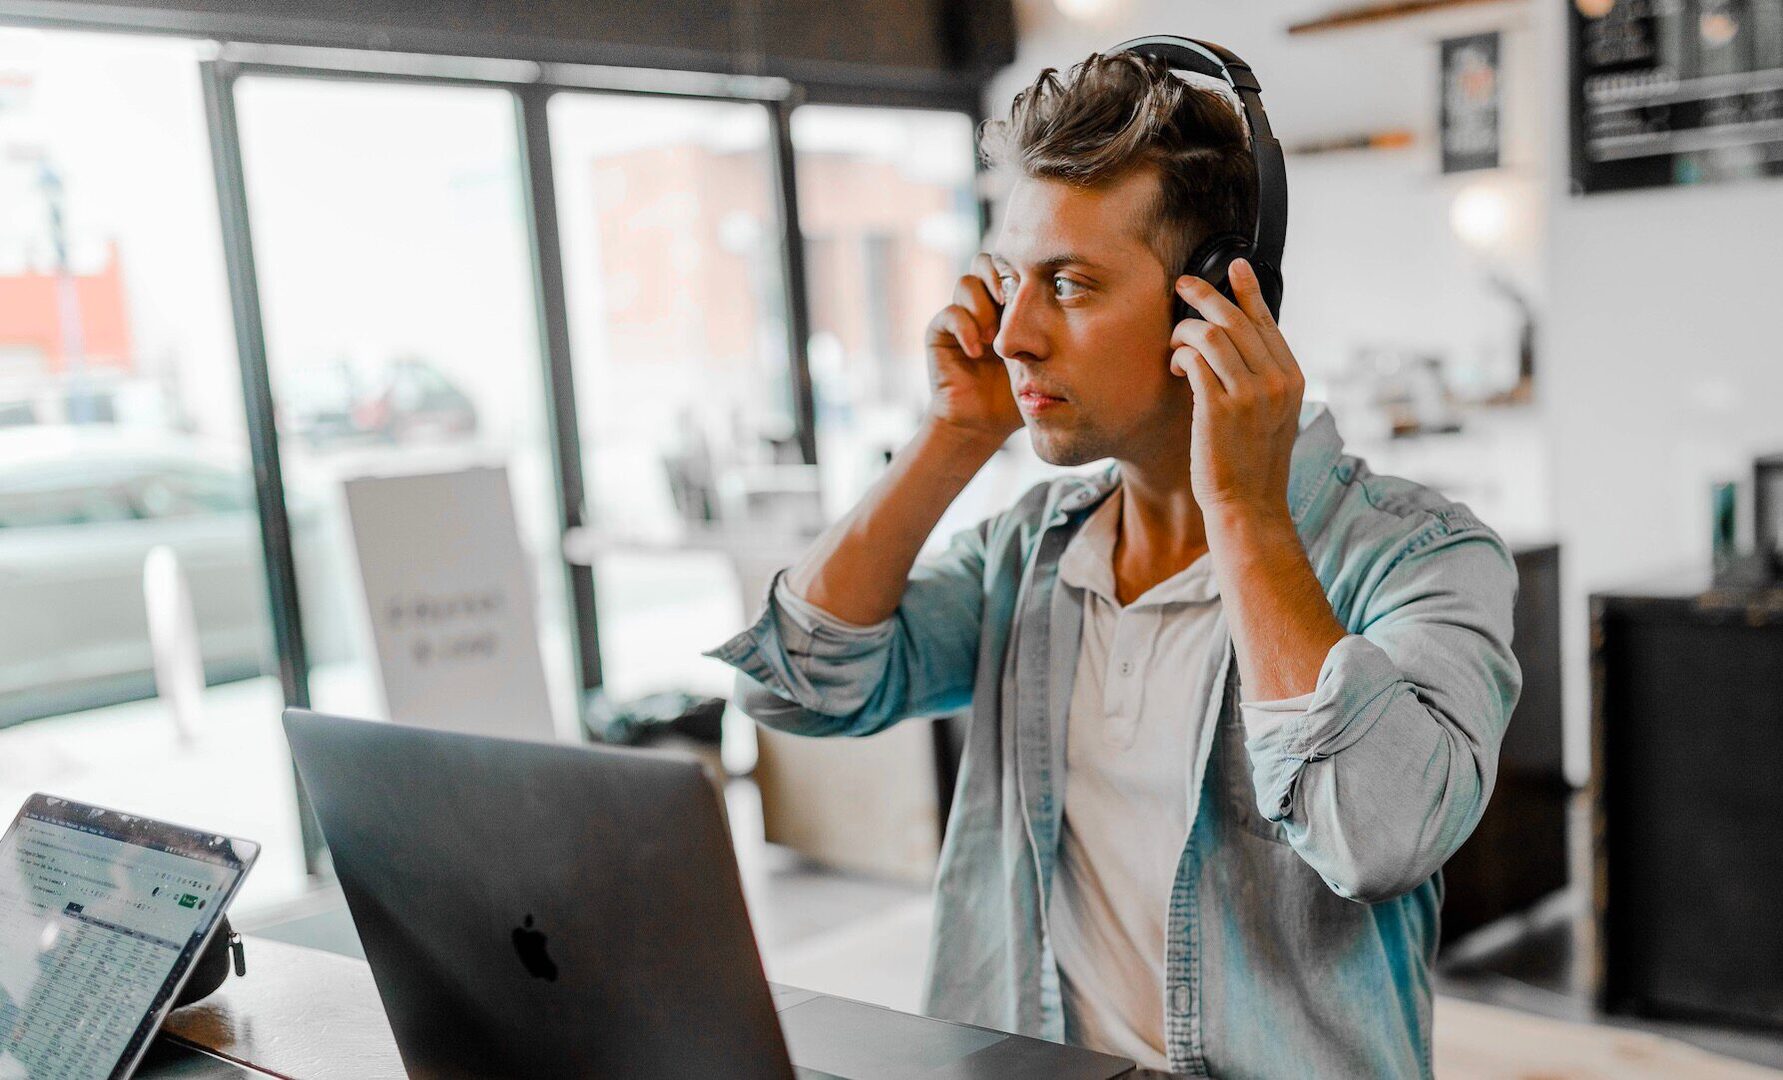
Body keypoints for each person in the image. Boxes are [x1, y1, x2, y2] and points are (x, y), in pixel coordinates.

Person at [706, 49, 1520, 1079]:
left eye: (1069, 285)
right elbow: (793, 684)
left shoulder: (1419, 556)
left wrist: (1244, 510)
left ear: (1214, 302)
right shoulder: (1032, 547)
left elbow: (1378, 837)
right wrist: (952, 438)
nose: (1012, 335)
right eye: (1008, 282)